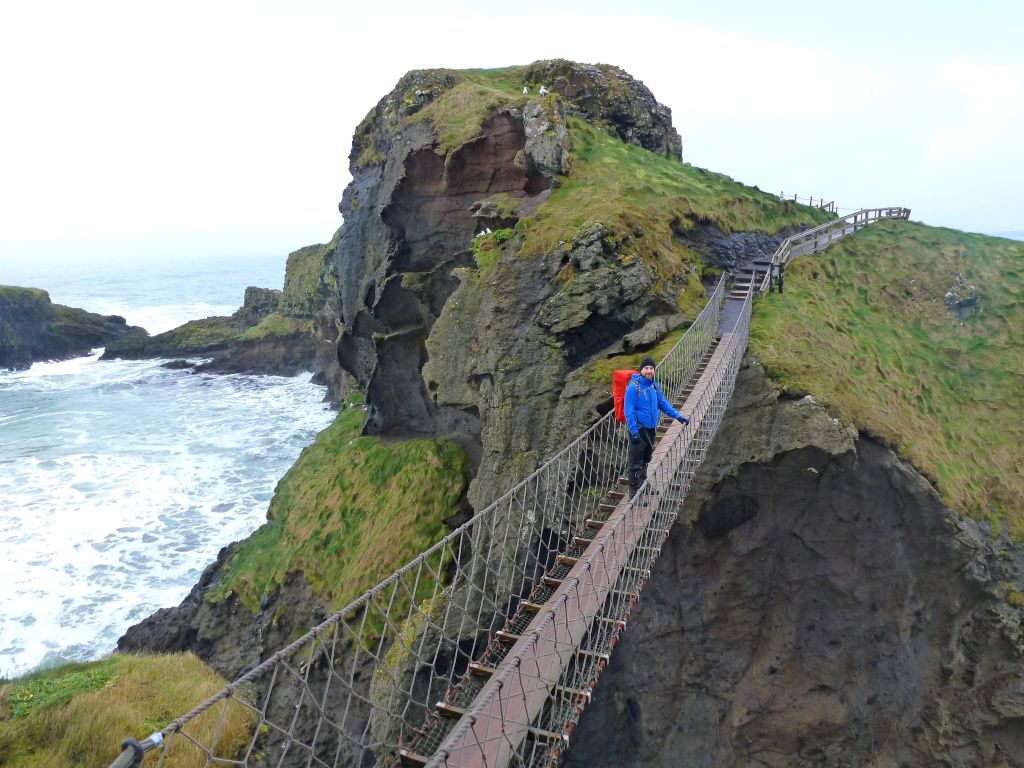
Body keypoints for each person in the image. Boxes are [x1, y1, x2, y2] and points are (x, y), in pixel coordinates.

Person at [624, 356, 689, 499]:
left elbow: (663, 403)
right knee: (636, 461)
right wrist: (634, 432)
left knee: (646, 457)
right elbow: (628, 411)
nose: (649, 371)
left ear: (654, 370)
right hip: (639, 429)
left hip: (651, 429)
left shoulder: (654, 386)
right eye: (646, 368)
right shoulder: (633, 387)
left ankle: (642, 485)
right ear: (641, 370)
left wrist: (678, 417)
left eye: (651, 368)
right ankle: (634, 494)